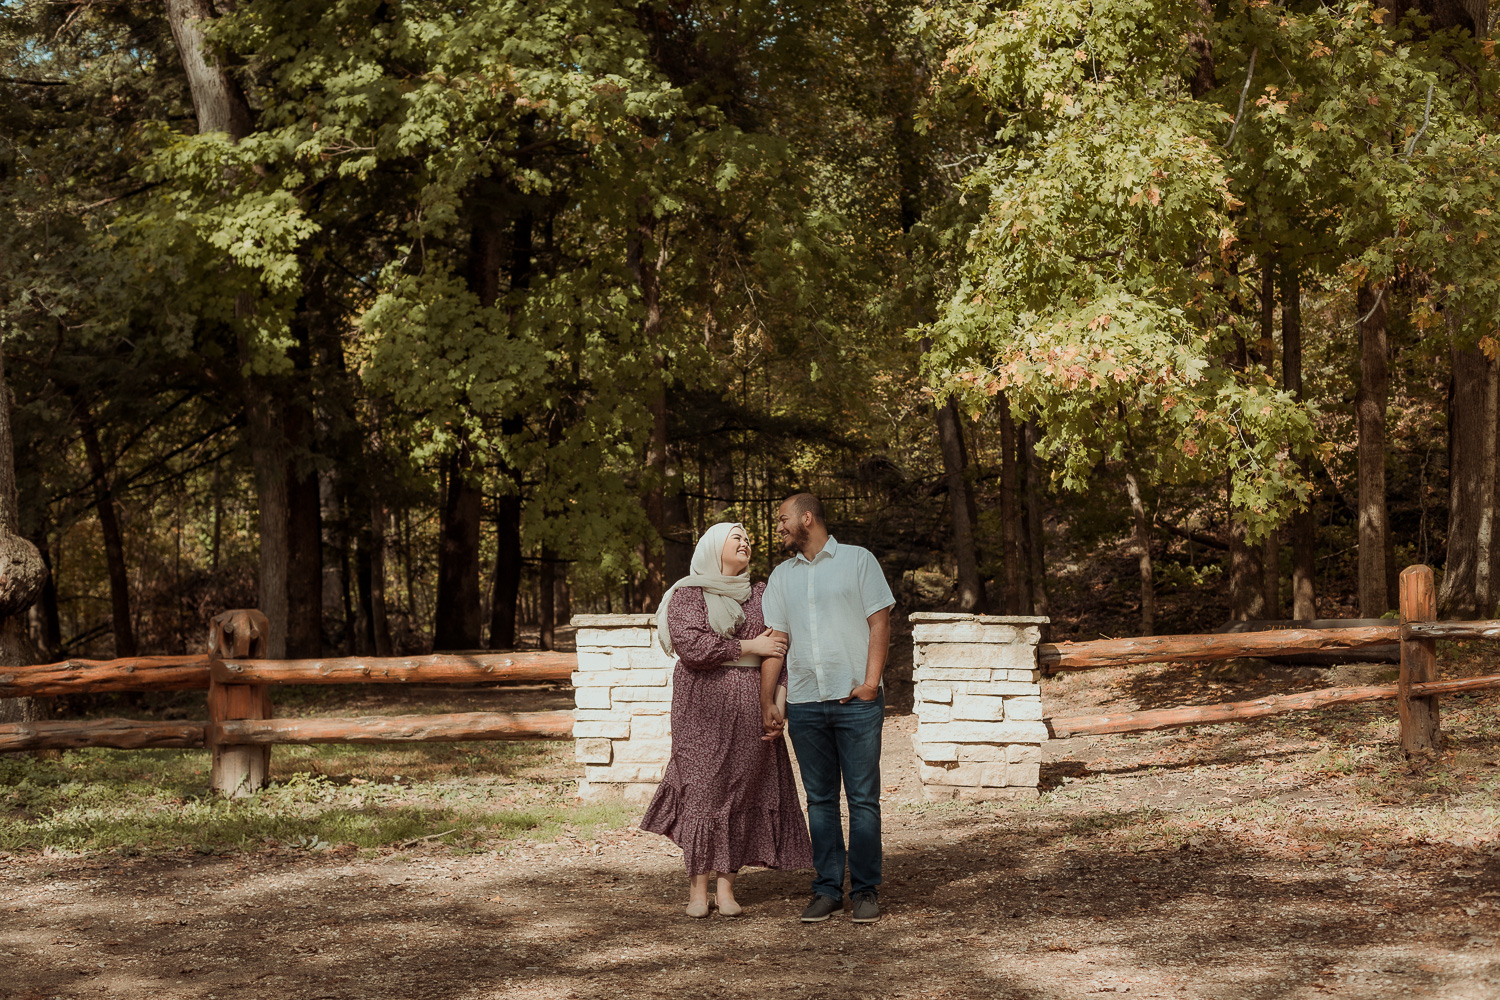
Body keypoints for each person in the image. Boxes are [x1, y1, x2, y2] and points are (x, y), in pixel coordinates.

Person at [639, 521, 814, 917]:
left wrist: (778, 703)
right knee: (703, 791)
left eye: (748, 539)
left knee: (742, 791)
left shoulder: (762, 594)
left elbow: (781, 648)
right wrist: (750, 645)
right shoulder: (688, 594)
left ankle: (728, 886)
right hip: (700, 710)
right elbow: (693, 646)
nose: (745, 544)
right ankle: (697, 890)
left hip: (752, 705)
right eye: (737, 538)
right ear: (713, 546)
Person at [760, 493, 894, 924]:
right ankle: (827, 889)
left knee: (862, 800)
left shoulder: (858, 561)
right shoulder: (781, 577)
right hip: (804, 704)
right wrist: (768, 700)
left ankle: (867, 890)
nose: (778, 527)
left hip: (856, 702)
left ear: (807, 518)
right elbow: (776, 643)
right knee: (818, 800)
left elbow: (880, 621)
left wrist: (870, 684)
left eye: (783, 519)